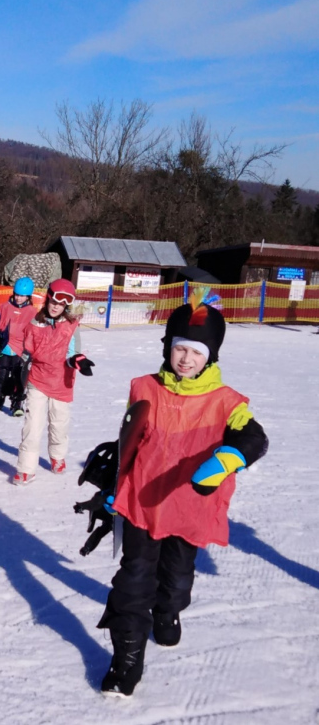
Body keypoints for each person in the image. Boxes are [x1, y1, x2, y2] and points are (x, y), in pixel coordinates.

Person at [95, 291, 268, 697]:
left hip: (189, 510)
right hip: (142, 504)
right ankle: (126, 664)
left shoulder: (227, 402)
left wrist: (228, 459)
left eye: (196, 351)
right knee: (132, 582)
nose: (186, 359)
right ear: (168, 349)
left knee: (175, 582)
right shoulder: (144, 387)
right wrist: (111, 485)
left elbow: (254, 438)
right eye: (179, 349)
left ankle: (169, 611)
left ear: (211, 356)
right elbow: (129, 441)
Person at [14, 278, 93, 486]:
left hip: (61, 383)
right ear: (48, 298)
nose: (57, 306)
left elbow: (73, 352)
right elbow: (27, 352)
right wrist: (18, 372)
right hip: (38, 380)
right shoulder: (34, 323)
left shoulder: (71, 326)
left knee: (59, 424)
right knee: (33, 425)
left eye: (63, 303)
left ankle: (57, 456)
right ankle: (25, 468)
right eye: (55, 301)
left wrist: (77, 361)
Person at [0, 276, 37, 416]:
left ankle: (17, 403)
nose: (19, 298)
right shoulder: (4, 307)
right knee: (2, 374)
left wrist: (31, 350)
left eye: (22, 296)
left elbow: (36, 332)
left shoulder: (32, 312)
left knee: (19, 377)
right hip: (5, 347)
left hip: (21, 350)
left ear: (28, 296)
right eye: (17, 294)